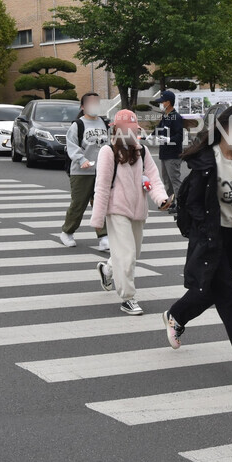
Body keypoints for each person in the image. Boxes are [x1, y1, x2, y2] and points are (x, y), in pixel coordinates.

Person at [163, 105, 232, 382]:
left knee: (208, 290)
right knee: (229, 295)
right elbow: (191, 202)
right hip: (211, 236)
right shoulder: (207, 161)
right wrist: (206, 229)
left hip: (231, 236)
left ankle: (176, 315)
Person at [91, 110, 170, 315]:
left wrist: (161, 199)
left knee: (132, 253)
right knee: (126, 256)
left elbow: (153, 178)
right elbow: (102, 186)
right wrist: (98, 217)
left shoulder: (141, 151)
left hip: (138, 210)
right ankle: (128, 298)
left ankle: (108, 270)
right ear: (116, 130)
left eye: (133, 129)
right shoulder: (107, 152)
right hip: (117, 210)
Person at [56, 93, 110, 250]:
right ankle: (67, 232)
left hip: (101, 171)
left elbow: (109, 145)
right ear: (83, 106)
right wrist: (81, 160)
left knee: (100, 204)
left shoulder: (104, 123)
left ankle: (103, 236)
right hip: (81, 172)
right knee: (78, 204)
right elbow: (71, 145)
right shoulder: (78, 125)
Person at [152, 89, 185, 214]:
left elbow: (180, 136)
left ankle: (181, 205)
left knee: (175, 180)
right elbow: (158, 128)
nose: (161, 104)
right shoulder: (165, 115)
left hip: (173, 154)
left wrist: (168, 139)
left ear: (169, 102)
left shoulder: (176, 117)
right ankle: (171, 203)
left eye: (162, 101)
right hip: (164, 153)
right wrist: (149, 136)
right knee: (167, 180)